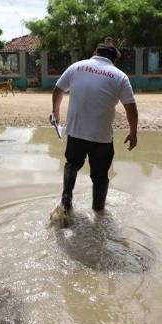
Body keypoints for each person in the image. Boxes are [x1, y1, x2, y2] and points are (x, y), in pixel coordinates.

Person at [51, 39, 138, 213]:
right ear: (114, 59)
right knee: (100, 176)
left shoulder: (76, 67)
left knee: (71, 164)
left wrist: (55, 113)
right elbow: (131, 108)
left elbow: (58, 90)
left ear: (95, 53)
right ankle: (98, 212)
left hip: (76, 132)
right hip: (102, 137)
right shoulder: (120, 76)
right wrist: (133, 133)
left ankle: (66, 200)